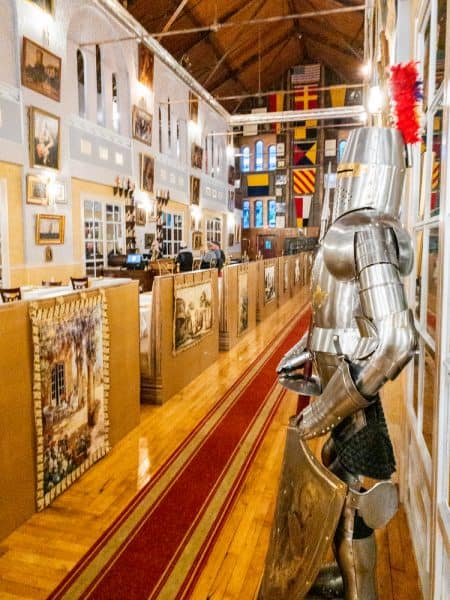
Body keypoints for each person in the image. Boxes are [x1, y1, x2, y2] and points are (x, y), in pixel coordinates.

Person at [259, 127, 418, 599]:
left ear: (369, 172)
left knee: (349, 506)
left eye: (350, 168)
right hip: (342, 385)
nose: (342, 178)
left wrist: (324, 411)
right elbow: (337, 312)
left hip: (350, 397)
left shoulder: (366, 232)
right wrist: (306, 349)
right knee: (338, 490)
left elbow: (394, 339)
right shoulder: (355, 230)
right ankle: (344, 578)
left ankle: (359, 590)